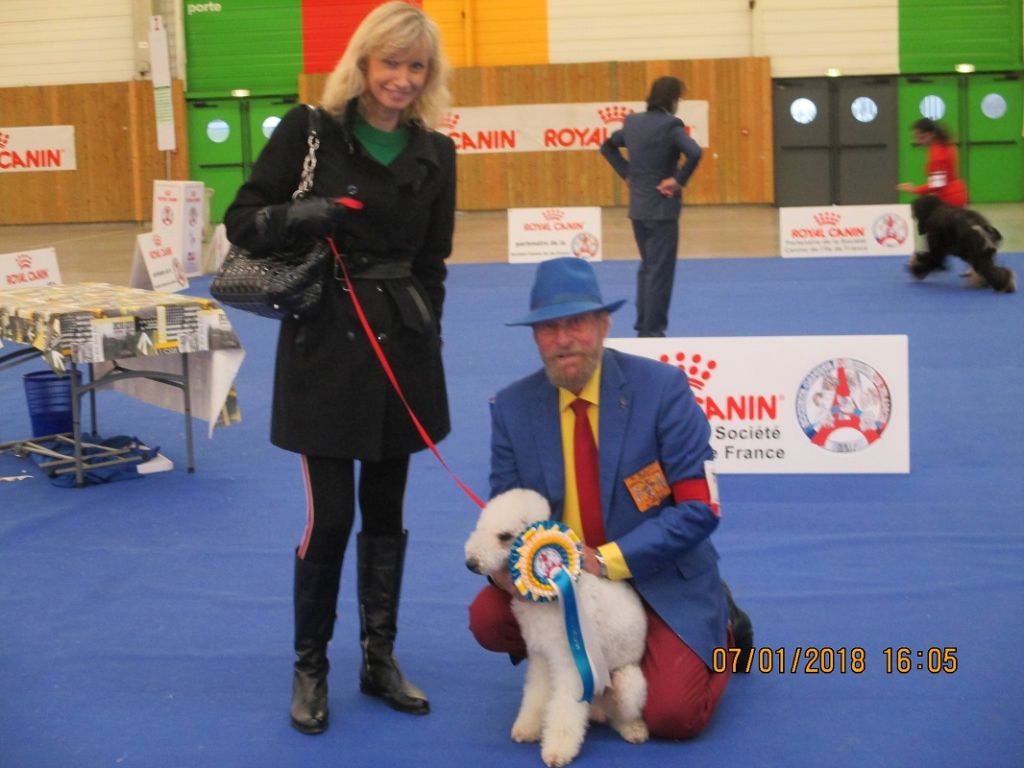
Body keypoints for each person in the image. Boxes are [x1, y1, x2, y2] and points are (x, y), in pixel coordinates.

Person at [223, 1, 455, 734]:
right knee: (331, 519)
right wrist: (307, 214)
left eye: (416, 67)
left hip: (403, 352)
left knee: (388, 513)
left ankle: (378, 659)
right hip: (325, 345)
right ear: (362, 63)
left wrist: (427, 337)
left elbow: (433, 262)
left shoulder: (437, 153)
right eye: (391, 63)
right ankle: (310, 666)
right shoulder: (309, 131)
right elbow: (242, 220)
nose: (402, 79)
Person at [467, 257, 753, 740]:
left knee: (673, 717)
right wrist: (506, 570)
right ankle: (600, 658)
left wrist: (603, 560)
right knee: (489, 619)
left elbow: (700, 510)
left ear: (603, 324)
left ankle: (722, 625)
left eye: (576, 323)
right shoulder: (511, 409)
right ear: (535, 337)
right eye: (548, 328)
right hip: (566, 584)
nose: (563, 340)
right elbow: (507, 511)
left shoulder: (664, 390)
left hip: (655, 574)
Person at [600, 76, 703, 338]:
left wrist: (626, 172)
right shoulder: (671, 125)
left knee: (647, 267)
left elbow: (607, 146)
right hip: (662, 210)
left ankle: (644, 324)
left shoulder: (632, 123)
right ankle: (653, 330)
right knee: (660, 272)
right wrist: (678, 180)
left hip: (638, 208)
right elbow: (695, 152)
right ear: (672, 100)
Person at [897, 117, 968, 207]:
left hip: (948, 199)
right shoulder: (948, 145)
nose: (918, 142)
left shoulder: (937, 153)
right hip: (958, 193)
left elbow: (937, 184)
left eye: (922, 138)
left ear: (932, 134)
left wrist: (915, 189)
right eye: (917, 138)